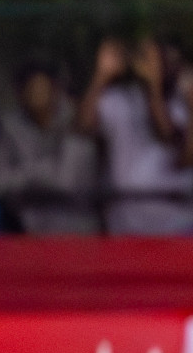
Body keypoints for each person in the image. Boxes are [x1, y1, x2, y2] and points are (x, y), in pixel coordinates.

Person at [78, 36, 193, 235]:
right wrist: (102, 76)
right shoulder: (119, 98)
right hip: (125, 225)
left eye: (154, 59)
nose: (145, 64)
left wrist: (154, 86)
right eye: (142, 57)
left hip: (176, 225)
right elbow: (83, 126)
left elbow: (168, 137)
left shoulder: (182, 103)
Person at [0, 64, 97, 235]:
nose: (37, 95)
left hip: (78, 235)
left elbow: (65, 183)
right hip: (33, 235)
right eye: (31, 89)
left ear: (55, 91)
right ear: (20, 94)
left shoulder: (76, 124)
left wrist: (26, 176)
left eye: (42, 88)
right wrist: (44, 173)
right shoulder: (9, 127)